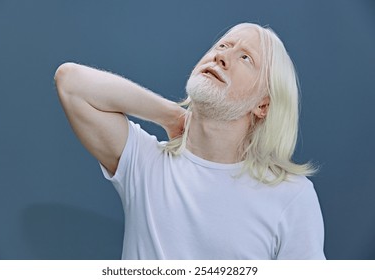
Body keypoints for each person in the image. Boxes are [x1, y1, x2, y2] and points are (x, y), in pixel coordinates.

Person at [54, 22, 325, 259]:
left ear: (263, 106)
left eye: (245, 58)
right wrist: (171, 116)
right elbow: (71, 83)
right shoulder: (145, 162)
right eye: (222, 45)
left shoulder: (292, 196)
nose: (222, 56)